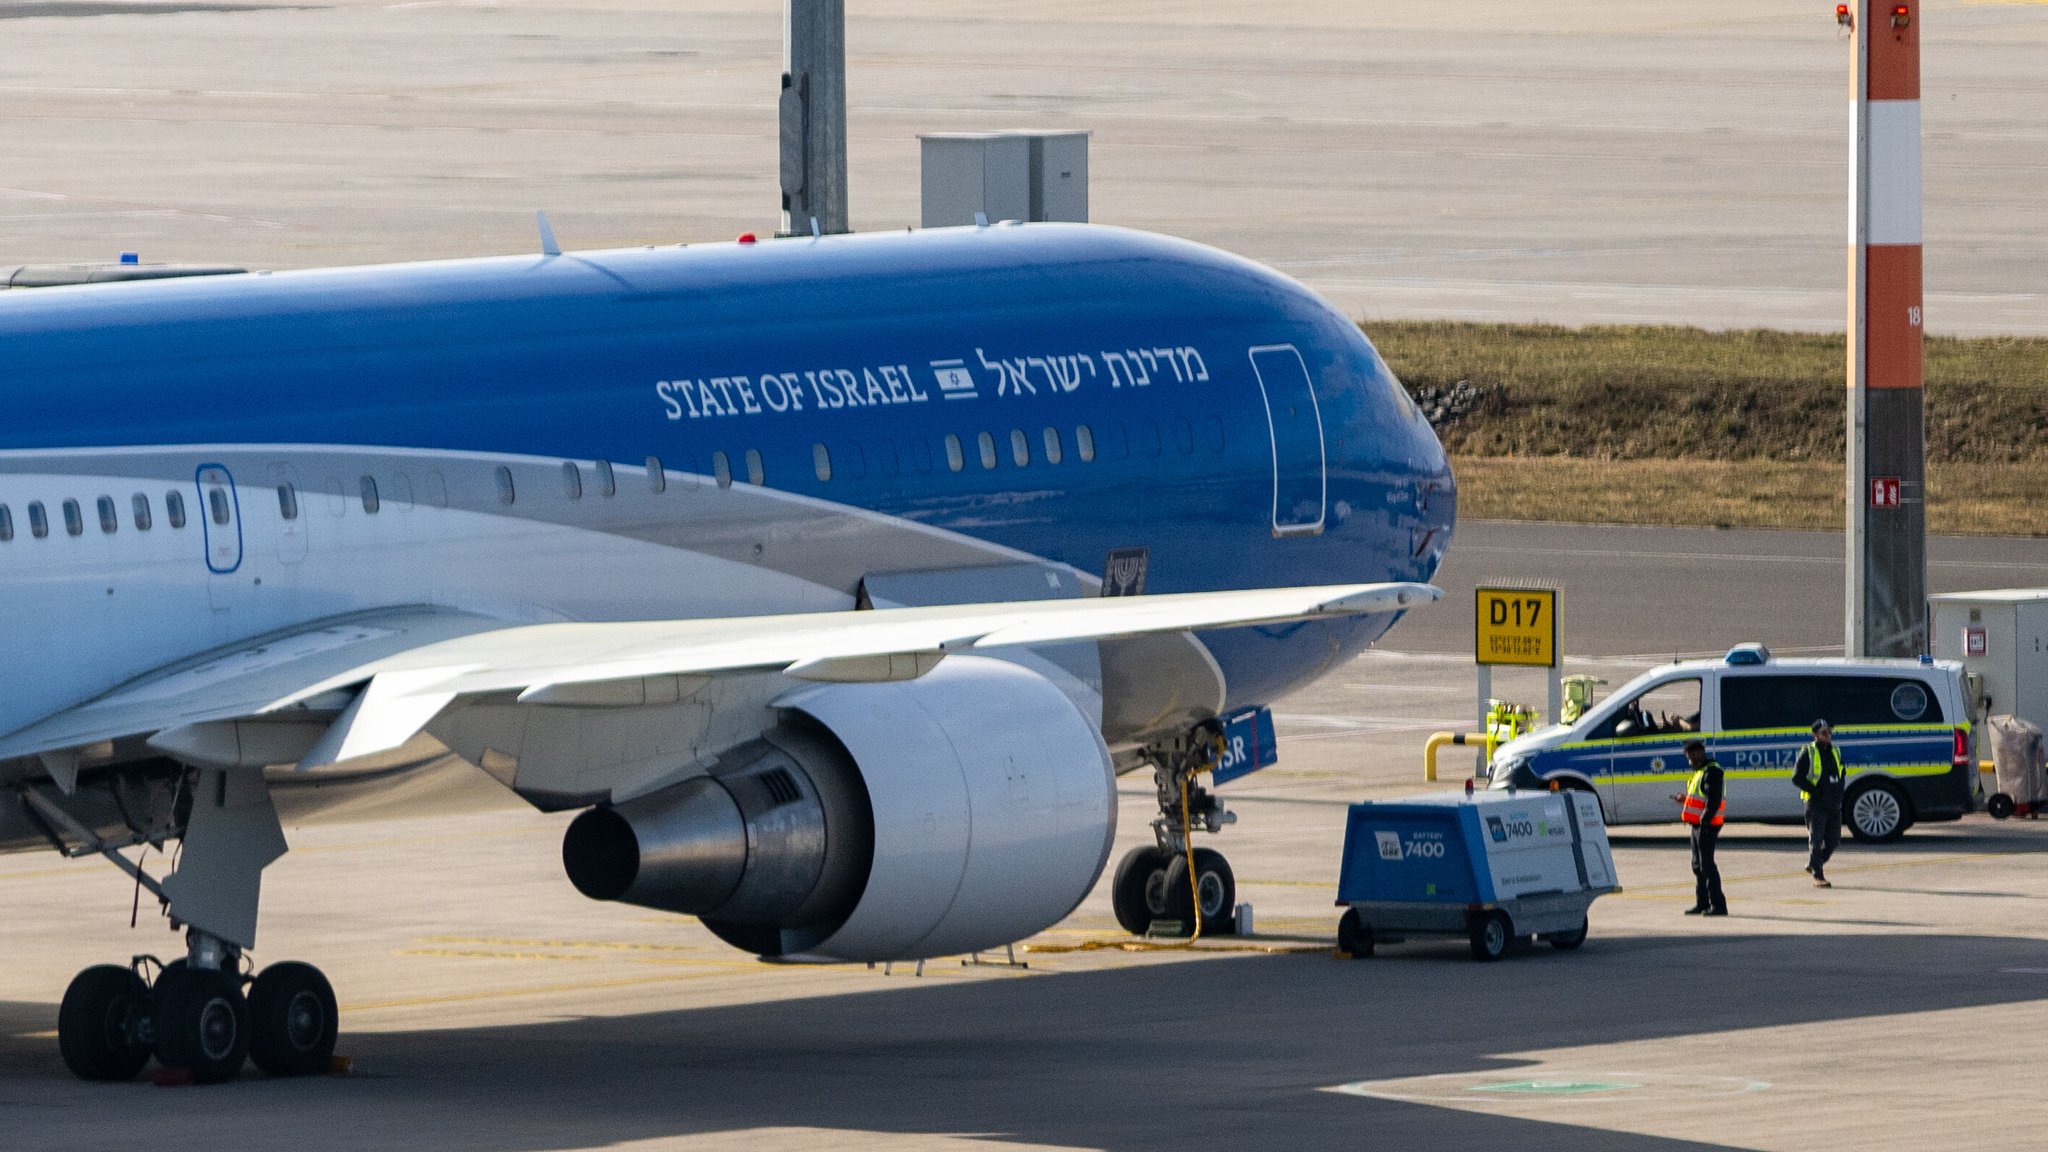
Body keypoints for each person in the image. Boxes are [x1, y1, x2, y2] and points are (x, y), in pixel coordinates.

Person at [1673, 739, 1726, 915]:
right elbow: (1700, 797)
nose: (1689, 761)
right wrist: (1684, 799)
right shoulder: (1700, 771)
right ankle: (1702, 903)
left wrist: (1704, 821)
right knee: (1698, 865)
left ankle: (1718, 905)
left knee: (1707, 865)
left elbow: (1713, 800)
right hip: (1698, 824)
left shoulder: (1712, 770)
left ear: (1698, 753)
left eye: (1690, 757)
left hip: (1707, 824)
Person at [1792, 719, 1846, 887]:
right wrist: (1816, 791)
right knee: (1816, 840)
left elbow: (1841, 773)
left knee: (1834, 840)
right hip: (1816, 804)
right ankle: (1818, 876)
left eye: (1830, 732)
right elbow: (1796, 777)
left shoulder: (1835, 751)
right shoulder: (1808, 752)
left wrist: (1839, 793)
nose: (1828, 735)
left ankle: (1815, 863)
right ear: (1815, 735)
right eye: (1824, 733)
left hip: (1834, 803)